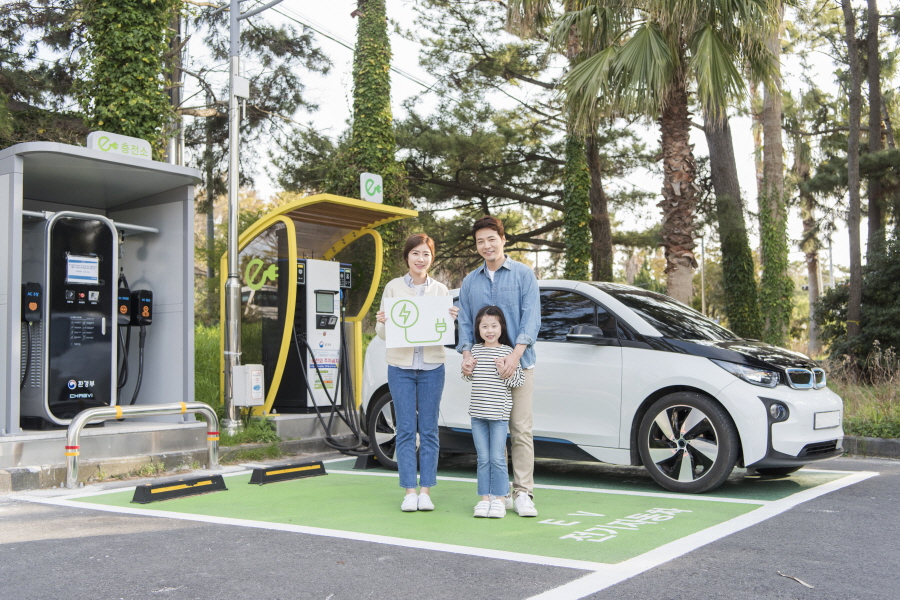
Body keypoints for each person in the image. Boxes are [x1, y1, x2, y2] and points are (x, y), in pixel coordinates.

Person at [457, 215, 541, 517]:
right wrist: (466, 355)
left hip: (519, 364)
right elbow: (464, 322)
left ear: (503, 239)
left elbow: (532, 318)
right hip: (484, 371)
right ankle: (499, 492)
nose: (486, 245)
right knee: (494, 430)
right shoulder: (470, 281)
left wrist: (513, 357)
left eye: (491, 239)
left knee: (520, 429)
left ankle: (523, 492)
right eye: (480, 241)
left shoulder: (523, 275)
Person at [375, 233, 458, 512]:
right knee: (406, 429)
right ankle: (409, 491)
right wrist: (383, 322)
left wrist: (452, 320)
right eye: (415, 253)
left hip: (432, 367)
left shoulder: (441, 291)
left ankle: (426, 491)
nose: (420, 259)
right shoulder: (393, 287)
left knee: (430, 430)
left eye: (426, 254)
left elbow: (445, 332)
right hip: (400, 368)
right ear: (407, 257)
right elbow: (382, 333)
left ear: (431, 258)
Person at [463, 306, 524, 518]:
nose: (490, 330)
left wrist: (503, 371)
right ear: (478, 329)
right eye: (485, 326)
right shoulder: (475, 350)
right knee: (483, 458)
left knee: (497, 458)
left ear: (501, 327)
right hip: (477, 414)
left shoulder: (507, 352)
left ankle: (499, 499)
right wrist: (467, 368)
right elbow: (468, 377)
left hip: (499, 415)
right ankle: (484, 499)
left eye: (494, 326)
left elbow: (518, 381)